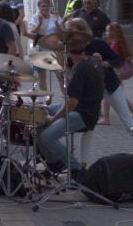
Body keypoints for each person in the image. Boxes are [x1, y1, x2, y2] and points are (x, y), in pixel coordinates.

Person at [66, 18, 133, 158]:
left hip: (109, 86)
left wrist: (104, 63)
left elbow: (117, 60)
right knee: (88, 127)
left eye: (70, 30)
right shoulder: (70, 47)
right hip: (89, 91)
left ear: (81, 30)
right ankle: (83, 165)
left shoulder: (97, 43)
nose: (67, 33)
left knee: (128, 121)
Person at [37, 32, 104, 181]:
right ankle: (54, 163)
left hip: (83, 114)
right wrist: (61, 70)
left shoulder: (81, 68)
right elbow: (70, 91)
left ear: (66, 51)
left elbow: (71, 101)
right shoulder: (92, 61)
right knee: (41, 113)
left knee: (47, 136)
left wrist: (53, 119)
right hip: (85, 108)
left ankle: (76, 169)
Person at [99, 22, 133, 125]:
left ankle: (108, 118)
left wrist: (105, 62)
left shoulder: (115, 43)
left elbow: (114, 59)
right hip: (116, 72)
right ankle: (107, 117)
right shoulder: (117, 42)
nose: (106, 32)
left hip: (115, 73)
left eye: (108, 30)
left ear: (114, 31)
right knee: (109, 95)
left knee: (113, 95)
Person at [23, 0, 63, 90]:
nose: (45, 8)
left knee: (60, 76)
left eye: (47, 6)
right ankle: (45, 99)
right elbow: (33, 31)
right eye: (42, 6)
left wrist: (57, 23)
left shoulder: (55, 17)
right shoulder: (35, 17)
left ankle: (65, 98)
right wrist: (40, 23)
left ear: (50, 7)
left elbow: (62, 32)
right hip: (40, 48)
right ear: (39, 7)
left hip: (54, 48)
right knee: (42, 76)